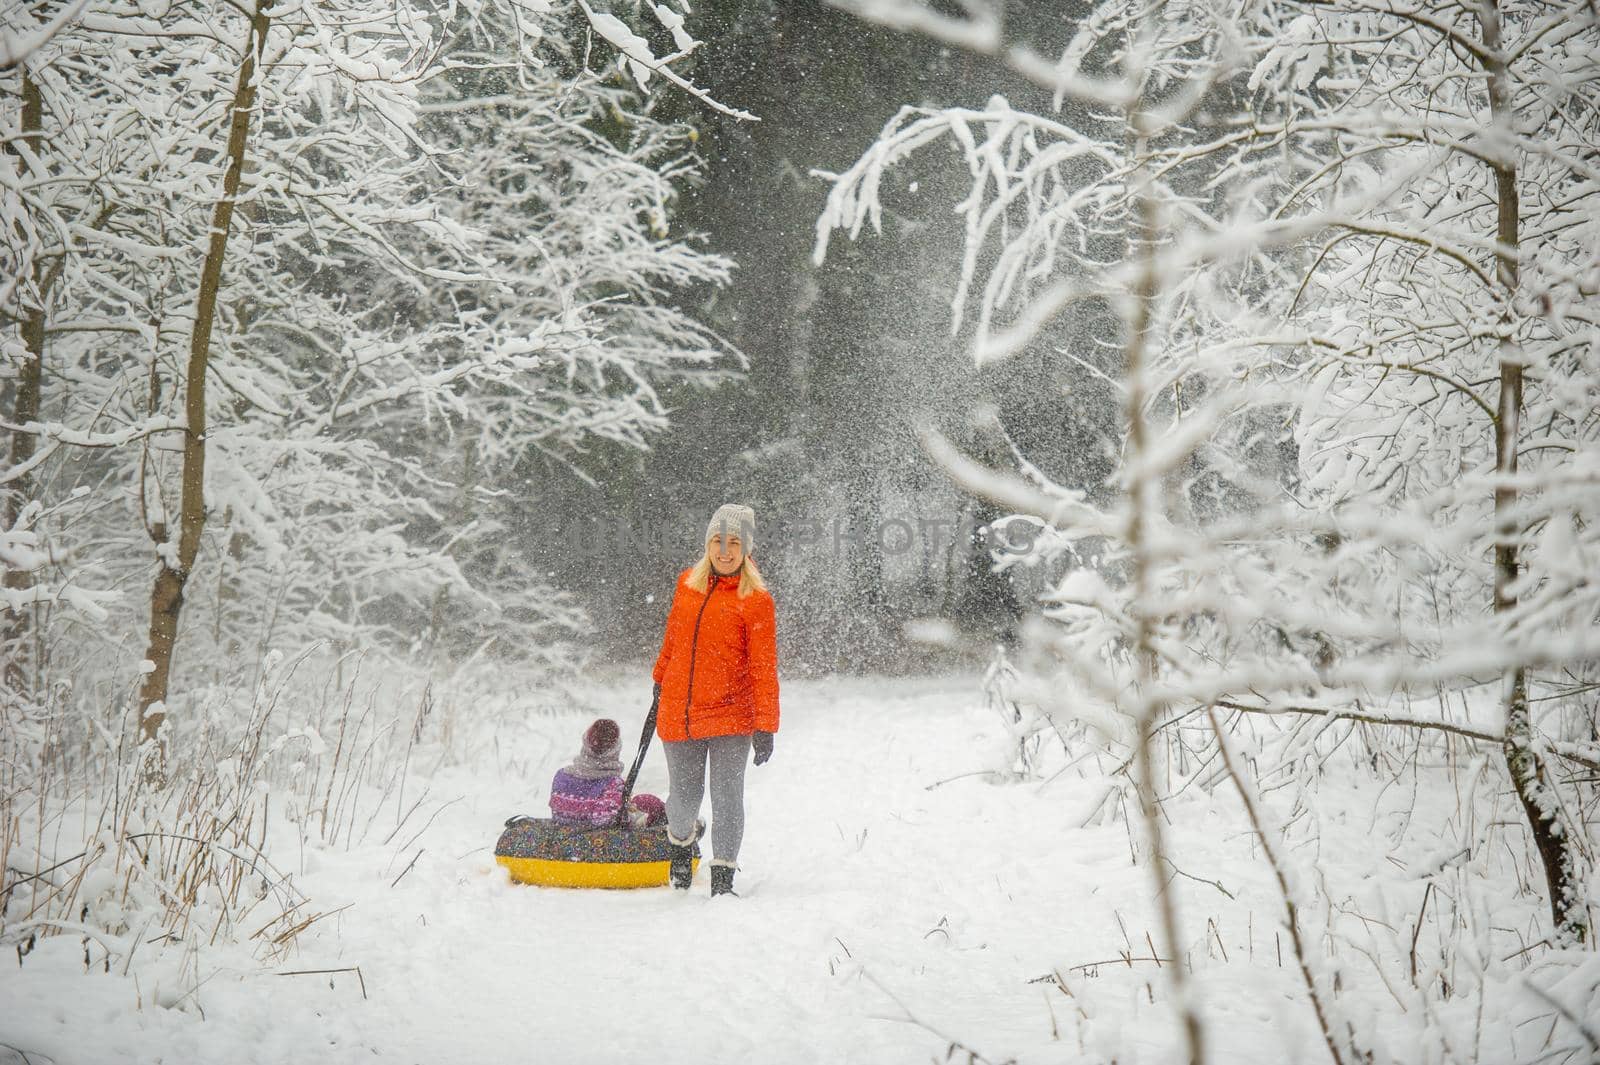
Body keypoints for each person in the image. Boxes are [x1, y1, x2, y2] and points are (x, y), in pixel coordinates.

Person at [651, 503, 780, 897]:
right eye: (718, 541)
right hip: (680, 710)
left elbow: (763, 667)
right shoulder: (687, 583)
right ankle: (681, 842)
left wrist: (765, 725)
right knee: (683, 800)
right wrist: (659, 680)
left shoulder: (756, 600)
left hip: (731, 715)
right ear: (708, 543)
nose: (725, 550)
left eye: (734, 542)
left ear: (747, 548)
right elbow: (673, 639)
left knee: (726, 797)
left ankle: (723, 877)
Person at [549, 718, 666, 828]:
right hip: (595, 843)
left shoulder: (561, 776)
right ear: (614, 751)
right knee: (649, 802)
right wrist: (632, 816)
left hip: (564, 837)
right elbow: (605, 823)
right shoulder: (612, 784)